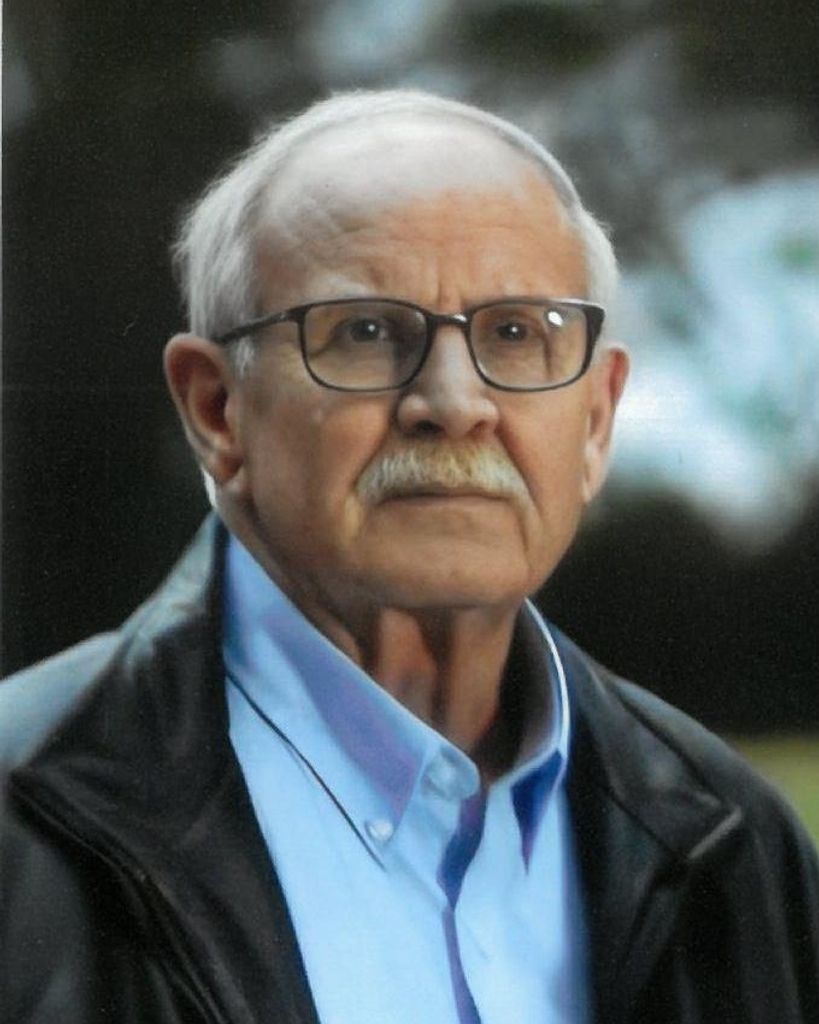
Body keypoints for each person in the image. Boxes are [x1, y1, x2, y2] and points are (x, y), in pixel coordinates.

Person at [1, 90, 817, 1024]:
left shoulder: (738, 847)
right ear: (217, 411)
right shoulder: (20, 825)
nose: (454, 403)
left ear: (595, 422)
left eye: (516, 333)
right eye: (364, 331)